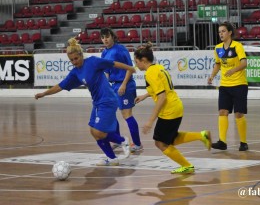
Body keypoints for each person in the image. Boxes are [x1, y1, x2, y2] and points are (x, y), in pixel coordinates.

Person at [34, 37, 136, 166]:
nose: (74, 62)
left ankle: (122, 140)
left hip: (108, 100)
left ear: (81, 55)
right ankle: (112, 158)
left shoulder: (93, 62)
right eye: (71, 60)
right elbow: (60, 86)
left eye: (76, 58)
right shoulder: (75, 73)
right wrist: (44, 94)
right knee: (93, 132)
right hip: (97, 103)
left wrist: (130, 68)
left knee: (99, 132)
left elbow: (113, 63)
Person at [133, 42, 212, 174]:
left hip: (168, 110)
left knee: (160, 143)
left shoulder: (150, 73)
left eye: (136, 62)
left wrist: (150, 121)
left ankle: (187, 166)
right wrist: (146, 95)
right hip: (176, 106)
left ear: (144, 60)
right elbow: (162, 89)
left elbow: (162, 97)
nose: (136, 65)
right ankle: (202, 135)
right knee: (171, 138)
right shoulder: (158, 67)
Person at [207, 21, 248, 151]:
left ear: (230, 32)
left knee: (238, 114)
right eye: (219, 32)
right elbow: (218, 64)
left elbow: (244, 63)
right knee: (222, 112)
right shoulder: (217, 48)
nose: (221, 34)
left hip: (239, 85)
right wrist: (212, 75)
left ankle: (243, 142)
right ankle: (222, 142)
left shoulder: (237, 46)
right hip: (224, 86)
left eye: (223, 31)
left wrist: (233, 70)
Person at [100, 28, 142, 153]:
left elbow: (130, 68)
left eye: (107, 36)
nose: (105, 39)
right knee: (112, 114)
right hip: (113, 86)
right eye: (103, 37)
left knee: (126, 115)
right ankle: (118, 140)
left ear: (112, 36)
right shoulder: (104, 53)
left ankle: (138, 144)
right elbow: (106, 71)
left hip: (125, 85)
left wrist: (123, 84)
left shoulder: (120, 49)